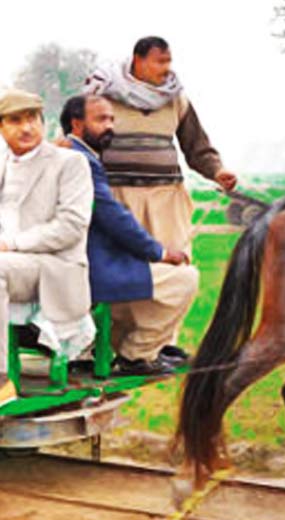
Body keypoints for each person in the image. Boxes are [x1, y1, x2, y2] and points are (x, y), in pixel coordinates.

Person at [84, 35, 236, 362]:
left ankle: (160, 343)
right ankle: (111, 343)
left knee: (173, 267)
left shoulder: (176, 99)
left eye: (169, 61)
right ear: (138, 61)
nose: (167, 69)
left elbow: (198, 147)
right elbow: (79, 137)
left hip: (167, 201)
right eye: (159, 62)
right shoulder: (101, 93)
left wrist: (217, 171)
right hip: (117, 198)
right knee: (123, 270)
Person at [61, 94, 199, 376]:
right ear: (77, 124)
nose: (111, 126)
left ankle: (103, 350)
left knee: (145, 289)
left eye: (112, 119)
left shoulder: (67, 155)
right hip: (91, 269)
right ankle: (137, 354)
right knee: (184, 278)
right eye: (101, 119)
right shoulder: (81, 161)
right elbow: (113, 217)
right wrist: (159, 252)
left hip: (77, 266)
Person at [0, 89, 92, 403]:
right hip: (13, 265)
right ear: (1, 127)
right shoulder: (2, 164)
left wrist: (11, 244)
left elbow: (71, 227)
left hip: (56, 266)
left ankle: (1, 383)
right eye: (15, 120)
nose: (26, 128)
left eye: (32, 119)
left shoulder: (70, 163)